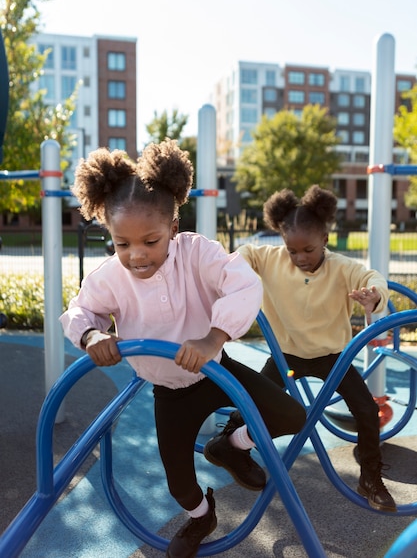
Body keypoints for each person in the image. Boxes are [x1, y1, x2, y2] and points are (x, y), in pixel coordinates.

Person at [60, 139, 306, 558]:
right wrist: (93, 336)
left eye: (151, 241)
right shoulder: (110, 277)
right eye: (122, 244)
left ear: (173, 227)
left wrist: (214, 338)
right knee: (179, 484)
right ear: (111, 237)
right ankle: (202, 515)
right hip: (169, 392)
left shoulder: (198, 254)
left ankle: (231, 446)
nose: (137, 255)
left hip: (217, 371)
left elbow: (244, 283)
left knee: (291, 414)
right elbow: (82, 310)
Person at [235, 184, 396, 513]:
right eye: (292, 250)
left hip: (331, 358)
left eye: (308, 249)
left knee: (367, 410)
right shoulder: (272, 259)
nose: (299, 258)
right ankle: (233, 449)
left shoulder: (340, 268)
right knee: (249, 401)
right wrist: (226, 269)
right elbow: (244, 254)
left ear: (325, 239)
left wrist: (373, 296)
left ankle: (370, 477)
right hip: (286, 356)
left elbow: (372, 277)